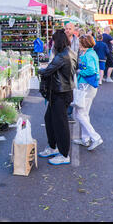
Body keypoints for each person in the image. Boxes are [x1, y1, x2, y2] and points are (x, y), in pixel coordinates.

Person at [37, 30, 77, 166]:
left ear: (57, 41)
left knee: (60, 124)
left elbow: (47, 71)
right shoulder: (70, 52)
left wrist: (37, 69)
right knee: (49, 119)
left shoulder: (62, 56)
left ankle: (64, 154)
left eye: (53, 41)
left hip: (60, 93)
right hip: (62, 92)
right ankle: (53, 147)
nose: (52, 44)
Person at [72, 35, 103, 151]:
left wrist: (79, 71)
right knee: (84, 113)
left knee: (79, 113)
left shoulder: (89, 54)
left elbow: (91, 70)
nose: (79, 45)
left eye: (80, 43)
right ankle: (85, 139)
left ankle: (95, 137)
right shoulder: (89, 53)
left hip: (86, 86)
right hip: (89, 86)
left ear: (85, 44)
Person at [64, 22, 79, 123]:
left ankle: (69, 114)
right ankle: (63, 112)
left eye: (70, 29)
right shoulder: (61, 39)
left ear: (74, 30)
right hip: (62, 69)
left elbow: (79, 54)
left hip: (73, 70)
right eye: (66, 28)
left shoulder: (77, 41)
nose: (68, 30)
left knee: (71, 92)